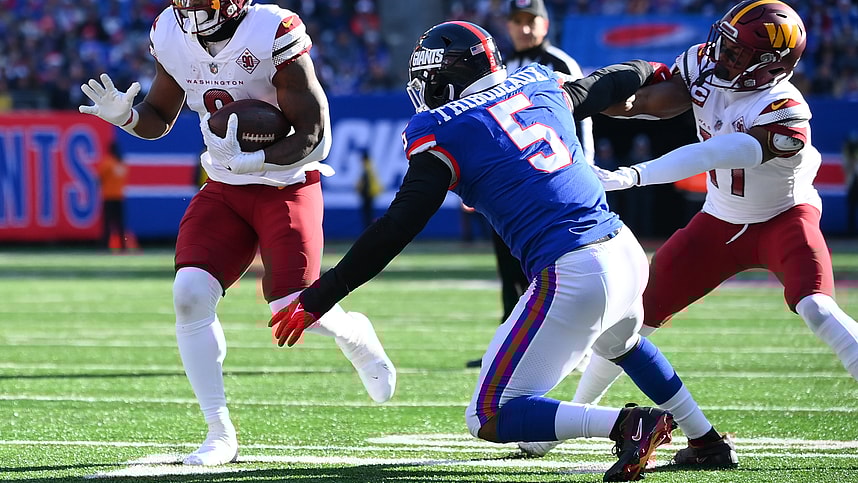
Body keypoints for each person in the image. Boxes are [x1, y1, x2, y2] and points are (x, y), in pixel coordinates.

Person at [269, 21, 728, 482]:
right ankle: (705, 438)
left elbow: (397, 227)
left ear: (446, 78)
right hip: (622, 248)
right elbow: (606, 81)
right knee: (623, 344)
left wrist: (320, 296)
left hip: (573, 267)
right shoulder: (541, 84)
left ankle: (626, 424)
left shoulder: (443, 128)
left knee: (488, 414)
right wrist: (652, 67)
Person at [523, 0, 858, 466]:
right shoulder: (708, 63)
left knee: (818, 308)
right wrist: (580, 95)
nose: (722, 55)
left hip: (784, 218)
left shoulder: (785, 111)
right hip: (719, 221)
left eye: (738, 54)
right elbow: (647, 102)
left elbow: (714, 154)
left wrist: (631, 175)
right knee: (629, 320)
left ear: (768, 66)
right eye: (726, 43)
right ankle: (577, 418)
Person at [78, 0, 395, 466]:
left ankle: (353, 333)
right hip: (225, 185)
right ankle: (218, 431)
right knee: (188, 292)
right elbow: (159, 116)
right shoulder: (170, 30)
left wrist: (262, 160)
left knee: (292, 306)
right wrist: (127, 117)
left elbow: (316, 134)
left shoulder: (273, 29)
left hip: (285, 184)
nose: (189, 7)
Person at [465, 0, 596, 369]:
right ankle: (506, 349)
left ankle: (577, 348)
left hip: (552, 184)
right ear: (506, 26)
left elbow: (580, 123)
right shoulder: (501, 68)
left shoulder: (560, 64)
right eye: (517, 21)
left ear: (545, 22)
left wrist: (582, 172)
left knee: (554, 269)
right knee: (508, 271)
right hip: (509, 188)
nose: (524, 28)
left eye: (530, 20)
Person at [96, 141, 137, 252]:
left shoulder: (107, 163)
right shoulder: (122, 163)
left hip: (108, 197)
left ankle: (104, 246)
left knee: (107, 224)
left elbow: (98, 179)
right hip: (119, 196)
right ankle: (123, 246)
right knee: (121, 224)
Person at [844, 131, 858, 236]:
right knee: (851, 208)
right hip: (853, 182)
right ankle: (851, 232)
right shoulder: (849, 157)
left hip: (854, 182)